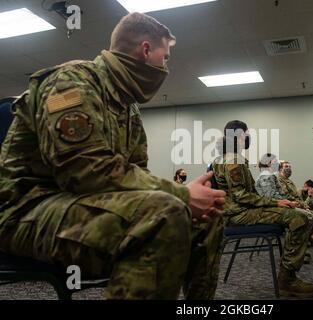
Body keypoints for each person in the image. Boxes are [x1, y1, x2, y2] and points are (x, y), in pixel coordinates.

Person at [0, 12, 226, 299]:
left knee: (208, 216)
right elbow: (83, 171)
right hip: (24, 212)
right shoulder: (71, 82)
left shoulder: (127, 106)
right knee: (163, 214)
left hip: (78, 203)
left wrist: (187, 198)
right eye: (165, 57)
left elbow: (135, 176)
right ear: (145, 49)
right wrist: (181, 194)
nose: (165, 66)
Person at [212, 120, 313, 298]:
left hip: (243, 210)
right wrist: (275, 203)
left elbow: (248, 193)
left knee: (297, 214)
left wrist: (278, 202)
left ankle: (288, 276)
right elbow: (241, 196)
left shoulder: (233, 158)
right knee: (299, 219)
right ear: (238, 136)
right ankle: (287, 280)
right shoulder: (232, 160)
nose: (248, 137)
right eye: (246, 133)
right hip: (239, 213)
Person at [278, 161, 313, 246]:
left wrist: (311, 198)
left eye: (290, 167)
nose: (289, 169)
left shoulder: (289, 181)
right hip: (288, 206)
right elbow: (288, 197)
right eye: (286, 167)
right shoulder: (280, 181)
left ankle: (305, 237)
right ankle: (298, 241)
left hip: (297, 205)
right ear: (280, 169)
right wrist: (303, 205)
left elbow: (298, 198)